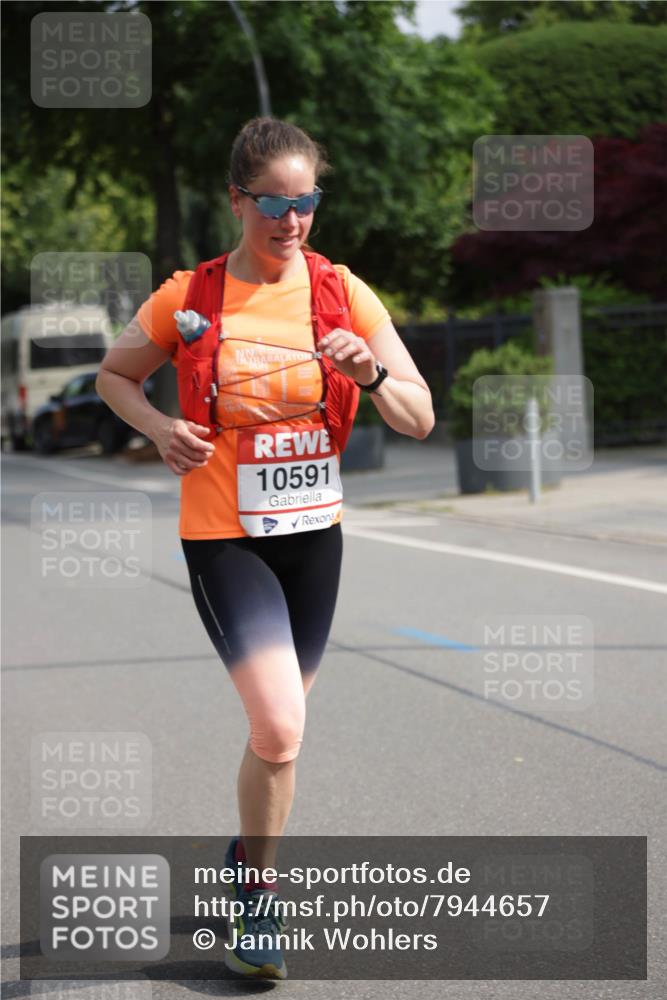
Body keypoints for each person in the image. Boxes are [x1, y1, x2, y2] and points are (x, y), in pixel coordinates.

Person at [96, 116, 434, 979]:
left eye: (306, 202)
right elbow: (113, 376)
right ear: (237, 199)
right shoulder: (190, 297)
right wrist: (160, 424)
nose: (290, 220)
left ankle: (246, 859)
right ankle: (258, 903)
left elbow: (420, 419)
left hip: (313, 536)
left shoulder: (343, 293)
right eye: (273, 204)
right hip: (224, 535)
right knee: (281, 725)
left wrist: (369, 373)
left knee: (276, 739)